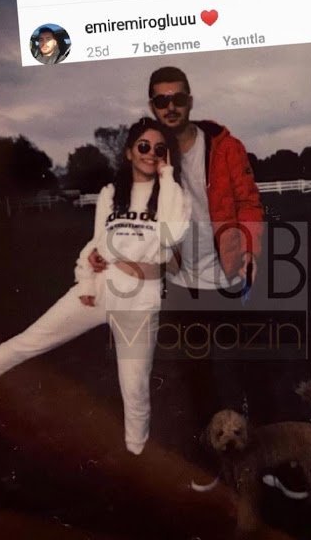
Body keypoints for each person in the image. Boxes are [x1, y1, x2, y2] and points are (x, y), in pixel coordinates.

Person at [0, 118, 191, 455]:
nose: (151, 153)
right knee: (33, 338)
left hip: (139, 302)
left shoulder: (173, 196)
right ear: (129, 152)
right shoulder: (110, 194)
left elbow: (171, 236)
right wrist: (89, 272)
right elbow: (97, 243)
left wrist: (167, 175)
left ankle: (135, 450)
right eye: (143, 146)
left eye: (159, 149)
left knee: (134, 384)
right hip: (97, 290)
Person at [89, 67, 264, 417]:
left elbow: (248, 202)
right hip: (180, 279)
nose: (170, 107)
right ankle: (209, 449)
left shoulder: (225, 147)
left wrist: (249, 249)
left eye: (178, 98)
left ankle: (254, 445)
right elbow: (129, 208)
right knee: (197, 376)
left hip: (227, 272)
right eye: (161, 100)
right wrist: (101, 248)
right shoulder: (153, 154)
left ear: (190, 101)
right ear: (152, 106)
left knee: (243, 370)